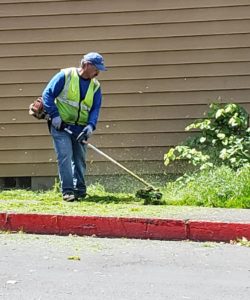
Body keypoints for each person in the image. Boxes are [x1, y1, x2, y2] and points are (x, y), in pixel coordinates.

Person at [42, 52, 107, 202]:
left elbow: (95, 108)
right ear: (87, 65)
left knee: (79, 159)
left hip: (80, 128)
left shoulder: (95, 85)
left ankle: (80, 190)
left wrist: (91, 126)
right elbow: (47, 95)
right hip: (61, 126)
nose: (98, 73)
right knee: (65, 156)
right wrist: (54, 115)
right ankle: (68, 191)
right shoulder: (65, 76)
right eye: (96, 69)